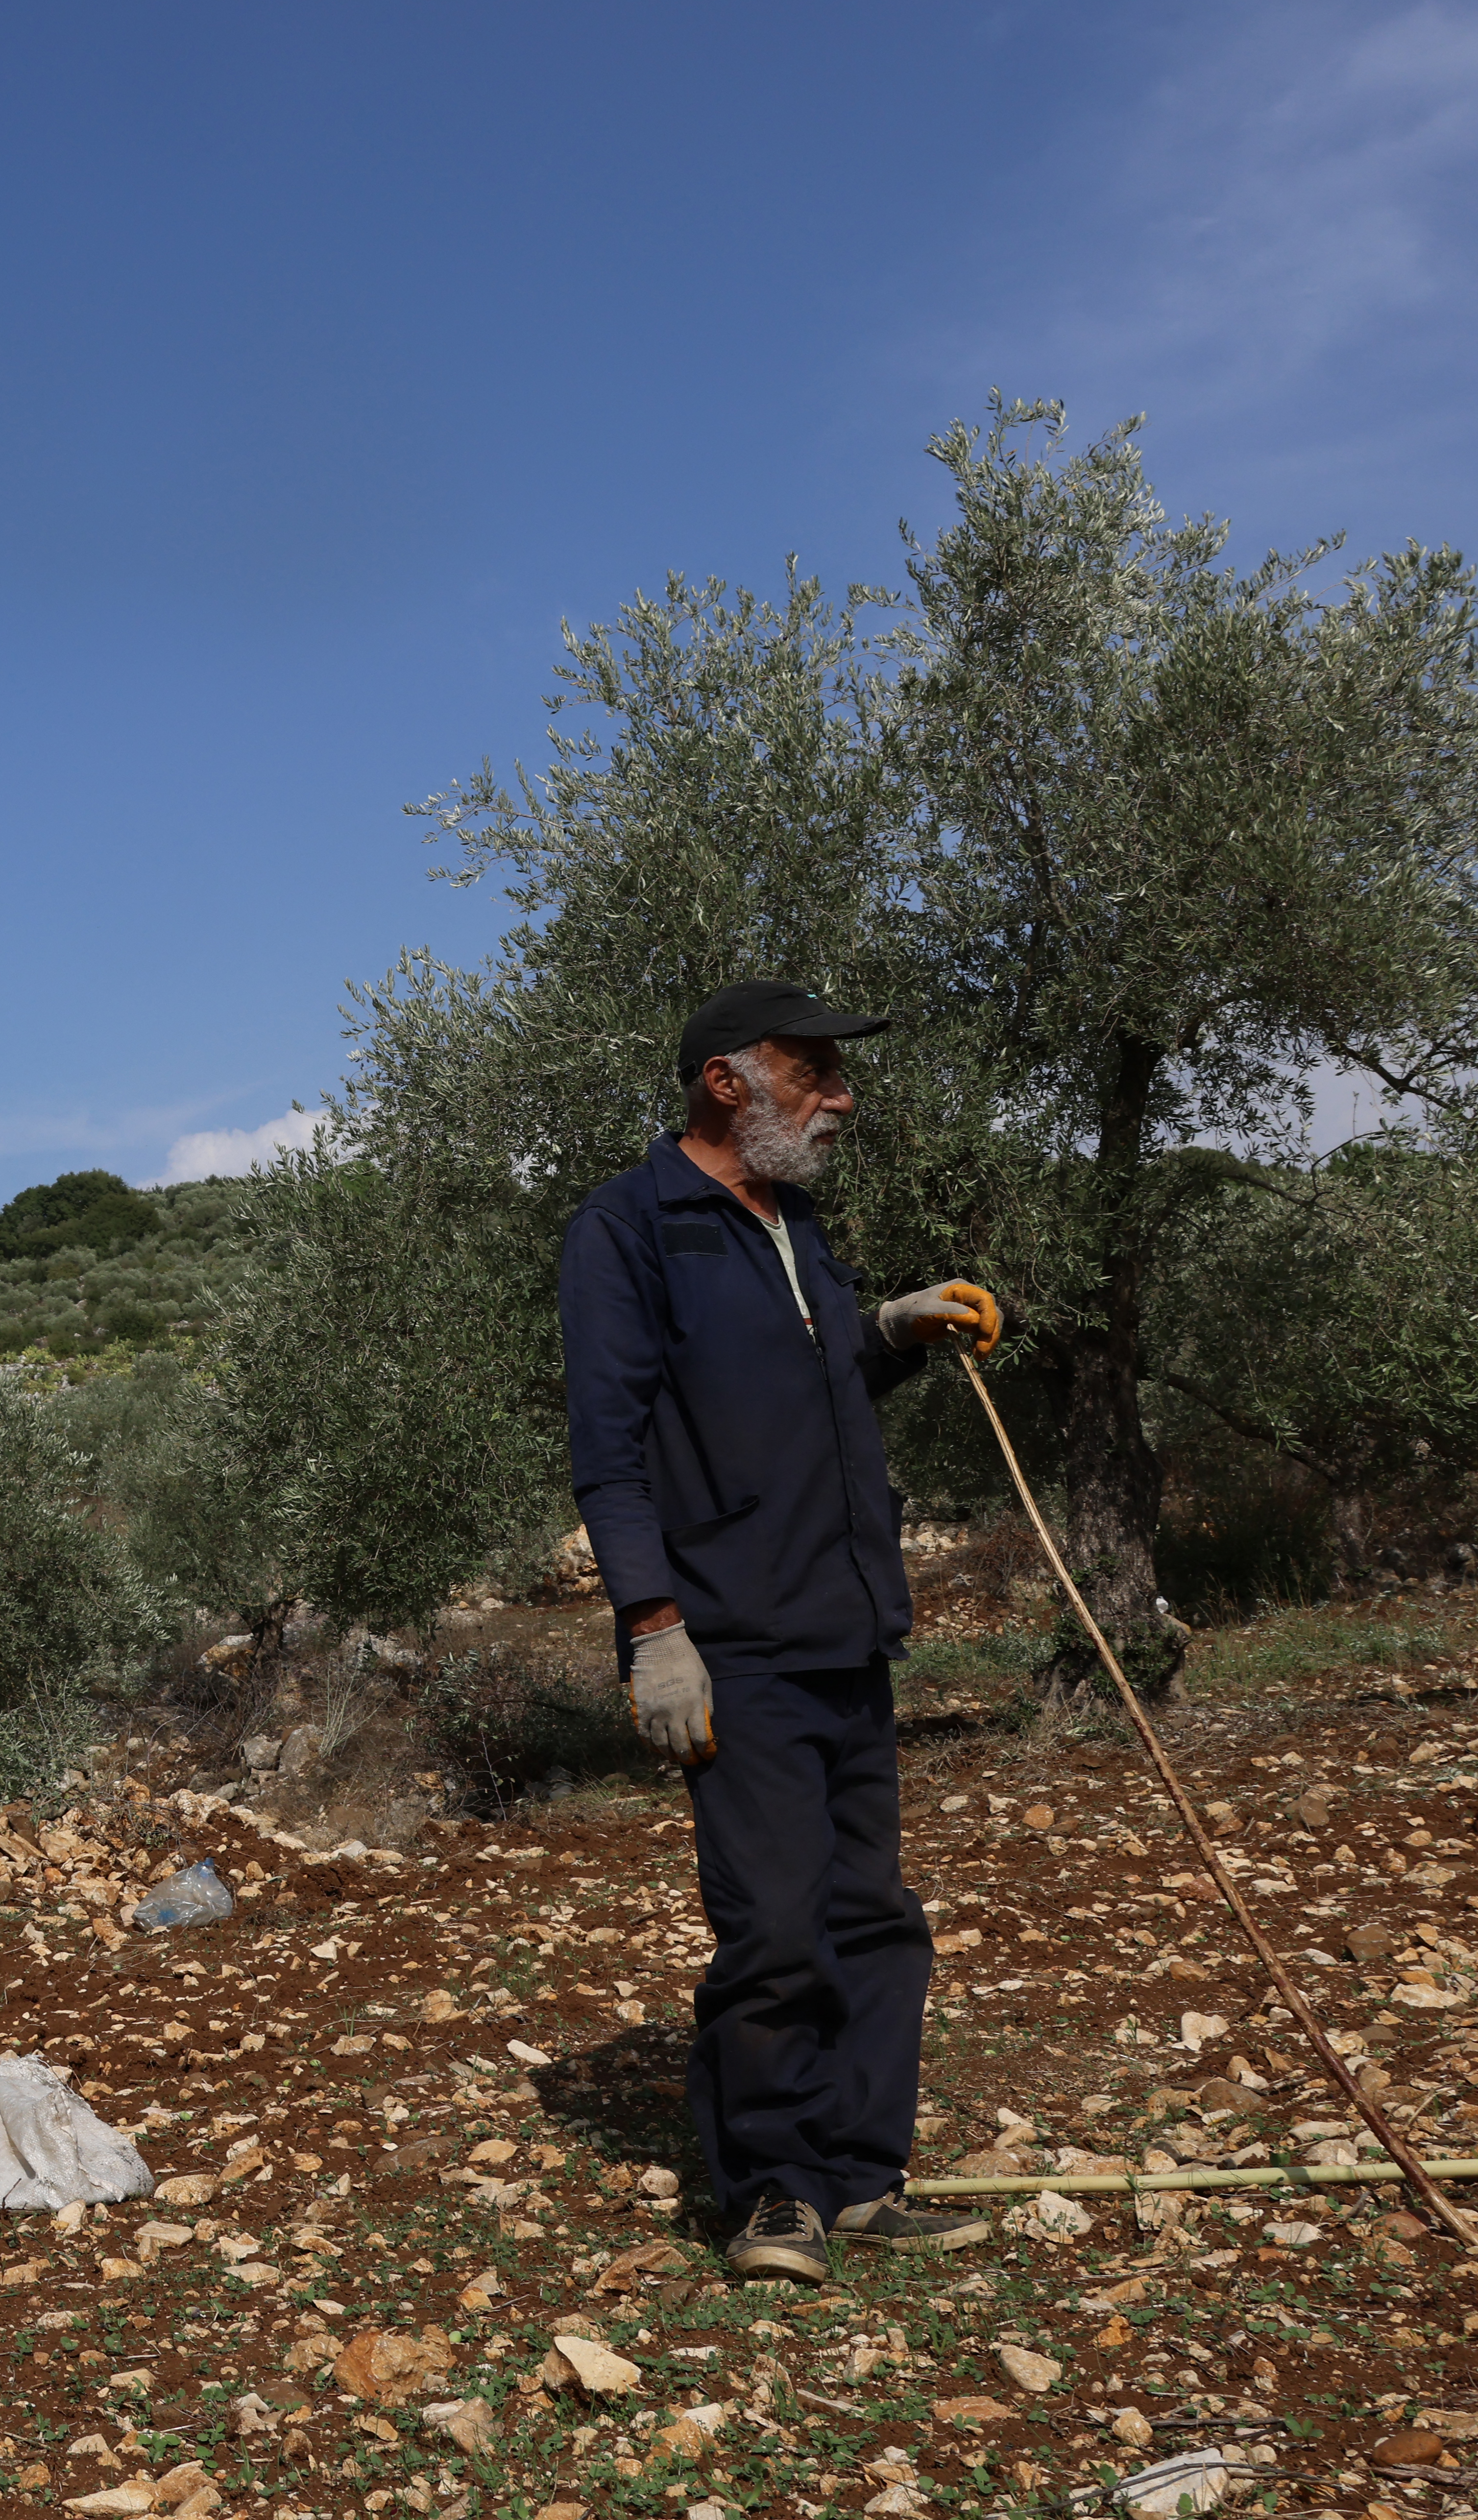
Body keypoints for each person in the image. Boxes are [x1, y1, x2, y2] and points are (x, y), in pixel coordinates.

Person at [557, 980, 1003, 2287]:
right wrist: (653, 1629)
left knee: (872, 1914)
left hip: (846, 1627)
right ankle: (771, 2193)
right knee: (773, 1925)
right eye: (814, 1074)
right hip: (730, 1641)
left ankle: (862, 2179)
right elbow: (610, 1450)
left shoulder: (795, 1221)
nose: (841, 1098)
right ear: (724, 1084)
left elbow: (806, 1376)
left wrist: (893, 1330)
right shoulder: (629, 1230)